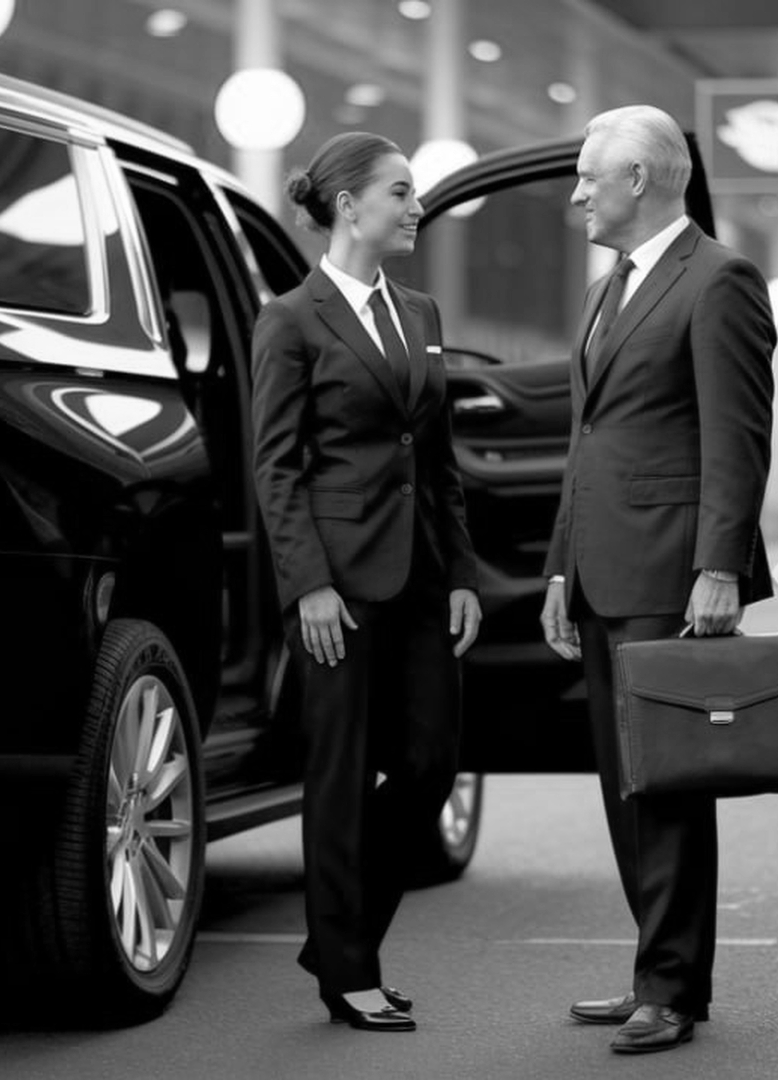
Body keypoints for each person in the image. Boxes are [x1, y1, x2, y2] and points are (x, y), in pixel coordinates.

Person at [539, 105, 776, 1055]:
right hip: (601, 570)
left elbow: (737, 436)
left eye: (589, 177)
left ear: (638, 179)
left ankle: (671, 989)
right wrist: (558, 567)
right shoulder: (610, 291)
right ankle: (655, 971)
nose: (577, 194)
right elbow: (584, 443)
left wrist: (718, 564)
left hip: (671, 573)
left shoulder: (719, 280)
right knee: (625, 784)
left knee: (669, 785)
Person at [250, 131, 483, 1033]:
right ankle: (349, 967)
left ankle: (336, 933)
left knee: (429, 764)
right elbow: (274, 467)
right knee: (340, 776)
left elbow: (438, 456)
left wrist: (461, 572)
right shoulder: (291, 318)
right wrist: (305, 584)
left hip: (421, 576)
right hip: (336, 587)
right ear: (349, 206)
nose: (415, 205)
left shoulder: (419, 313)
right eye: (400, 191)